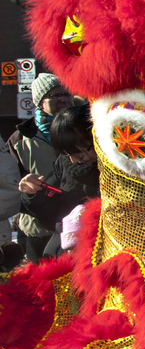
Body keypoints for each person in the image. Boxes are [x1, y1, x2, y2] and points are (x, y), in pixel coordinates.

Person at [17, 103, 99, 259]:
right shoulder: (66, 163)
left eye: (79, 154)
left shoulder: (119, 168)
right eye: (67, 154)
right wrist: (32, 193)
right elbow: (55, 211)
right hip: (64, 250)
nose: (74, 161)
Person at [7, 73, 73, 262]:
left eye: (66, 93)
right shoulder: (21, 139)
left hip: (80, 223)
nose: (63, 99)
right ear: (40, 102)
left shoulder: (86, 128)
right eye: (55, 95)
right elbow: (15, 187)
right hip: (40, 228)